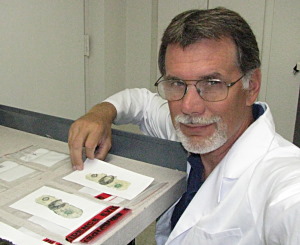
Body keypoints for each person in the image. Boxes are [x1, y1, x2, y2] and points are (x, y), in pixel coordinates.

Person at [68, 7, 300, 245]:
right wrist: (100, 114)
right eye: (177, 83)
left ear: (251, 86)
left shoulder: (282, 180)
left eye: (212, 83)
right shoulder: (195, 130)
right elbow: (140, 102)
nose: (189, 107)